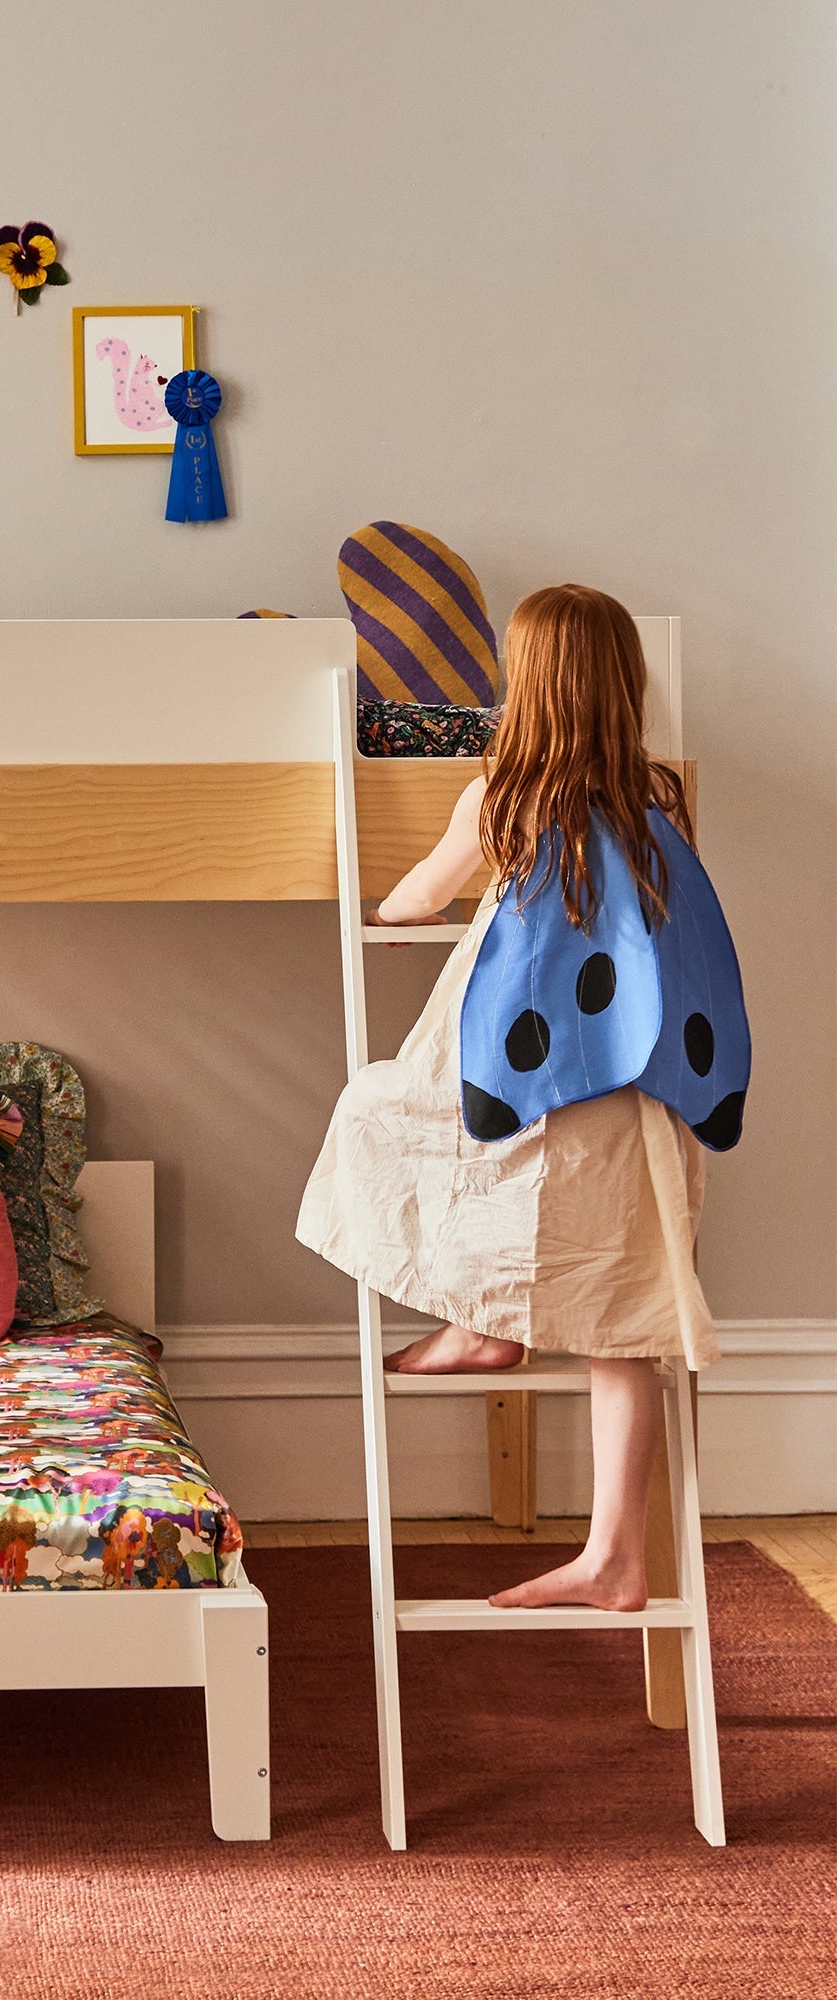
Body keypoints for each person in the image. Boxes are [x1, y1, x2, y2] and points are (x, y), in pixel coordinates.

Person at [298, 584, 740, 1612]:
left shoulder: (506, 792)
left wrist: (396, 904)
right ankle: (616, 1553)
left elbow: (417, 898)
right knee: (622, 1314)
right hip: (646, 1099)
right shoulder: (659, 798)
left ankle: (477, 1319)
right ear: (628, 684)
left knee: (381, 1113)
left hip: (534, 1084)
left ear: (525, 685)